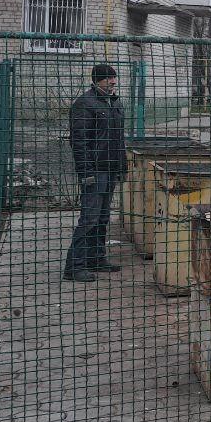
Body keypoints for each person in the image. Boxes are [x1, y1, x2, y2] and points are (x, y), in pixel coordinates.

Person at [64, 64, 127, 282]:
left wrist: (122, 167)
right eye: (108, 78)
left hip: (110, 169)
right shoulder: (84, 104)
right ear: (97, 80)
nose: (113, 82)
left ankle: (96, 258)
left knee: (102, 218)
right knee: (89, 219)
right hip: (95, 171)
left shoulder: (114, 102)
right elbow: (79, 143)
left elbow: (119, 140)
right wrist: (86, 173)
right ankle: (74, 266)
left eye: (114, 78)